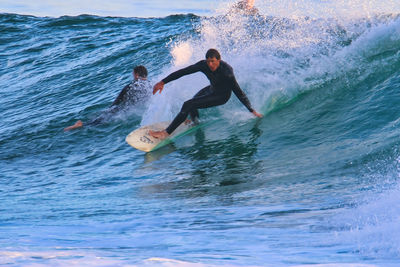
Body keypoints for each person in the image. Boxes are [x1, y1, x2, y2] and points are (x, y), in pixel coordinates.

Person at [149, 49, 263, 140]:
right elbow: (184, 72)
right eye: (208, 61)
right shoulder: (204, 65)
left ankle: (165, 133)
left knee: (188, 104)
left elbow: (238, 92)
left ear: (219, 60)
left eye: (213, 61)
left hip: (221, 96)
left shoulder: (227, 72)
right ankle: (195, 122)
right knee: (193, 101)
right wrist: (163, 82)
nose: (210, 64)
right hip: (212, 89)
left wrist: (251, 110)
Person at [64, 65, 151, 131]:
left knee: (101, 120)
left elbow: (117, 102)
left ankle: (81, 124)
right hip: (131, 109)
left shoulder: (131, 86)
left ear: (136, 75)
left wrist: (109, 110)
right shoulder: (150, 85)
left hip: (122, 109)